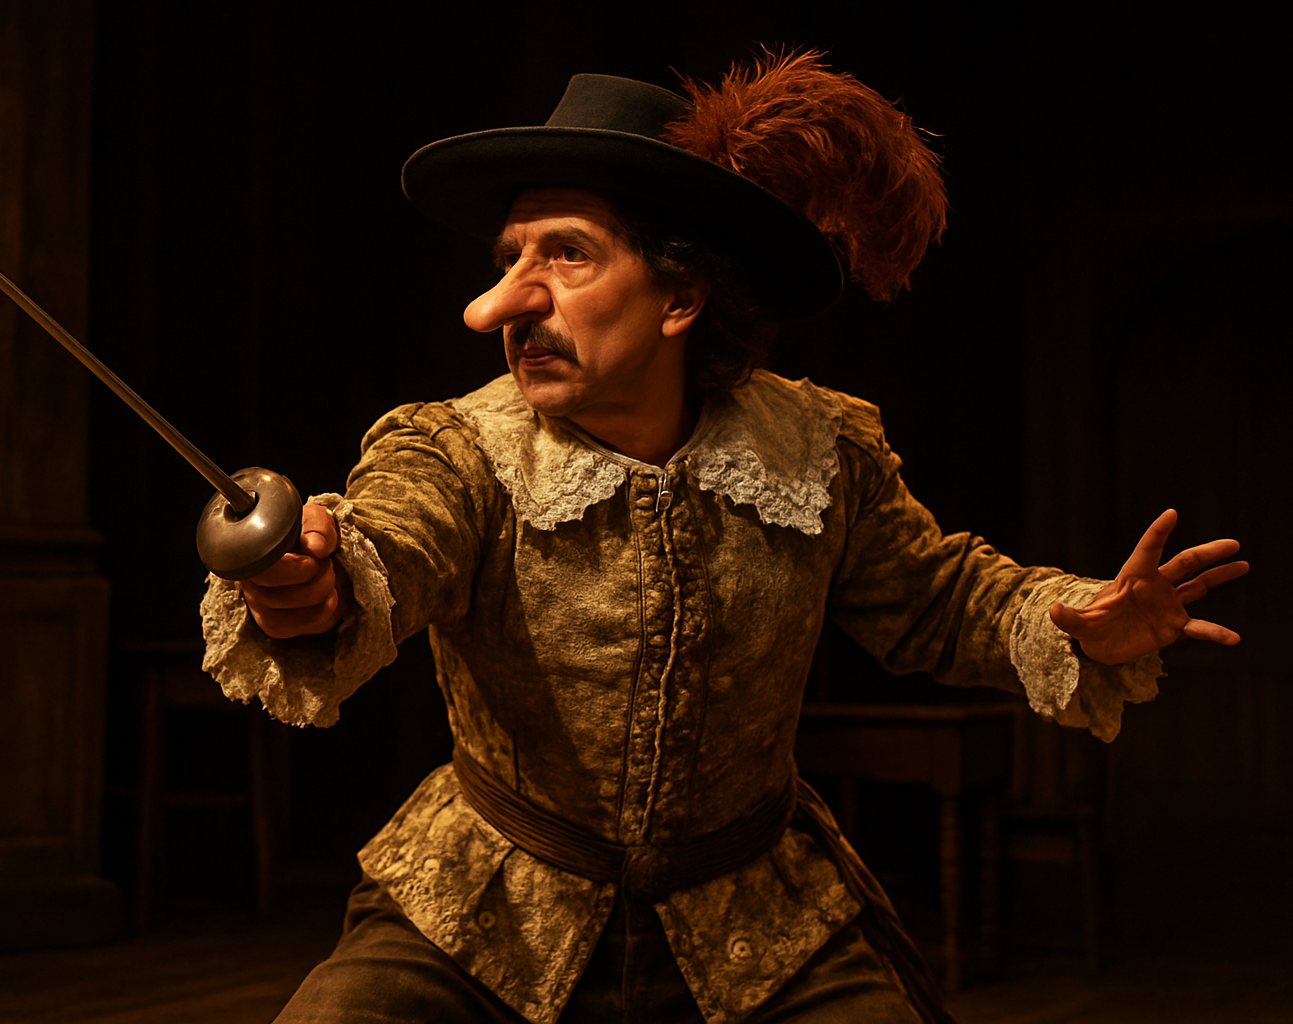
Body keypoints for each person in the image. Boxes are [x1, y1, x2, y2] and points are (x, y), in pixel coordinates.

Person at [199, 52, 1246, 1024]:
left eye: (566, 254)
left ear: (681, 297)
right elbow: (387, 546)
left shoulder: (815, 447)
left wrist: (1076, 617)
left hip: (755, 917)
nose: (503, 305)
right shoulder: (458, 448)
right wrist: (316, 581)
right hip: (492, 901)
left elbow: (940, 596)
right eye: (511, 255)